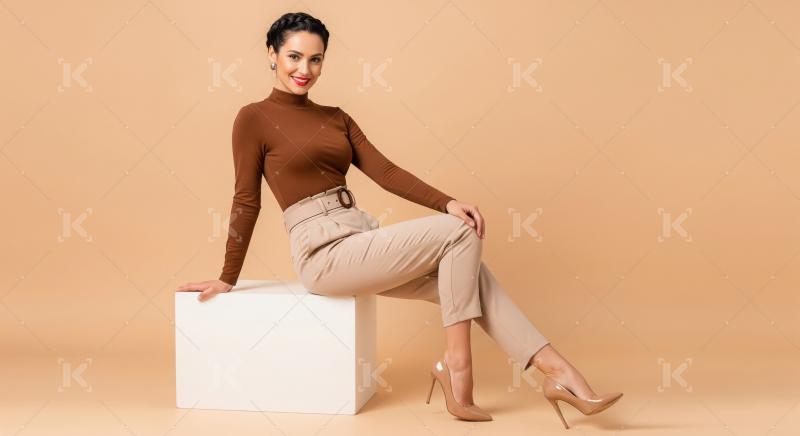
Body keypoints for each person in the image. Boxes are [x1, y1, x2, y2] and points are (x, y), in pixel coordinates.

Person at [176, 11, 622, 427]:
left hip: (360, 239)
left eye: (316, 59)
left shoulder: (336, 118)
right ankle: (458, 368)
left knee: (470, 279)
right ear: (271, 55)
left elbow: (385, 172)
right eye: (294, 56)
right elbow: (245, 200)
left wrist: (447, 201)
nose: (304, 69)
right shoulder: (253, 118)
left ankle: (560, 375)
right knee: (457, 236)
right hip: (322, 254)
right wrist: (227, 277)